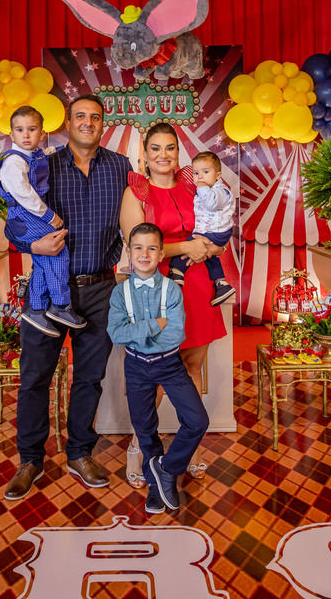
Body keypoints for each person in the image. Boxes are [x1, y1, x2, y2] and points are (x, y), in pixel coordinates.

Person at [3, 95, 132, 501]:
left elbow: (136, 220)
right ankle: (30, 460)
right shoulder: (41, 163)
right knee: (34, 378)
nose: (88, 122)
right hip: (46, 290)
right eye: (80, 116)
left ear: (103, 124)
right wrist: (32, 246)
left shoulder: (121, 167)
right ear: (67, 122)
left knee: (89, 378)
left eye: (95, 117)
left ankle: (79, 453)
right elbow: (13, 222)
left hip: (100, 289)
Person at [120, 122, 227, 488]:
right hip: (156, 288)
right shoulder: (136, 193)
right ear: (145, 154)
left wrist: (214, 245)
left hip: (196, 284)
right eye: (155, 148)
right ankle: (139, 449)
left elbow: (215, 224)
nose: (163, 155)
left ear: (178, 153)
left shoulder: (195, 186)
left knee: (193, 366)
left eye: (170, 148)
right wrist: (187, 247)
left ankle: (190, 450)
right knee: (153, 373)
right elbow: (138, 248)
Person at [108, 222, 208, 515]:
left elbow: (175, 334)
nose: (144, 254)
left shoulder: (172, 290)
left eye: (152, 248)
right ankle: (156, 487)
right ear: (129, 252)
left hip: (170, 365)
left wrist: (138, 331)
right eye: (138, 248)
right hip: (136, 367)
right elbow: (116, 334)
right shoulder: (120, 293)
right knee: (145, 429)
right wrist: (154, 325)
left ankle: (166, 468)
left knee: (197, 421)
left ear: (161, 254)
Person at [0, 105, 85, 336]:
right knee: (57, 253)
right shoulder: (13, 162)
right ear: (11, 134)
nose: (26, 135)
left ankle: (36, 309)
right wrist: (49, 216)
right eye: (20, 130)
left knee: (43, 262)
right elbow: (25, 194)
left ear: (42, 133)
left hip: (28, 214)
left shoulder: (33, 155)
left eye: (32, 129)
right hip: (25, 214)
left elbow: (44, 156)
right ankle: (60, 305)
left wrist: (56, 151)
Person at [167, 151, 235, 306]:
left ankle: (177, 271)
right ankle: (221, 283)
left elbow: (211, 204)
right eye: (196, 173)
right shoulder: (207, 190)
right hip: (213, 231)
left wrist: (202, 187)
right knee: (210, 257)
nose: (200, 177)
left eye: (205, 172)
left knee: (191, 243)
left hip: (215, 231)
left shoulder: (220, 191)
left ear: (218, 175)